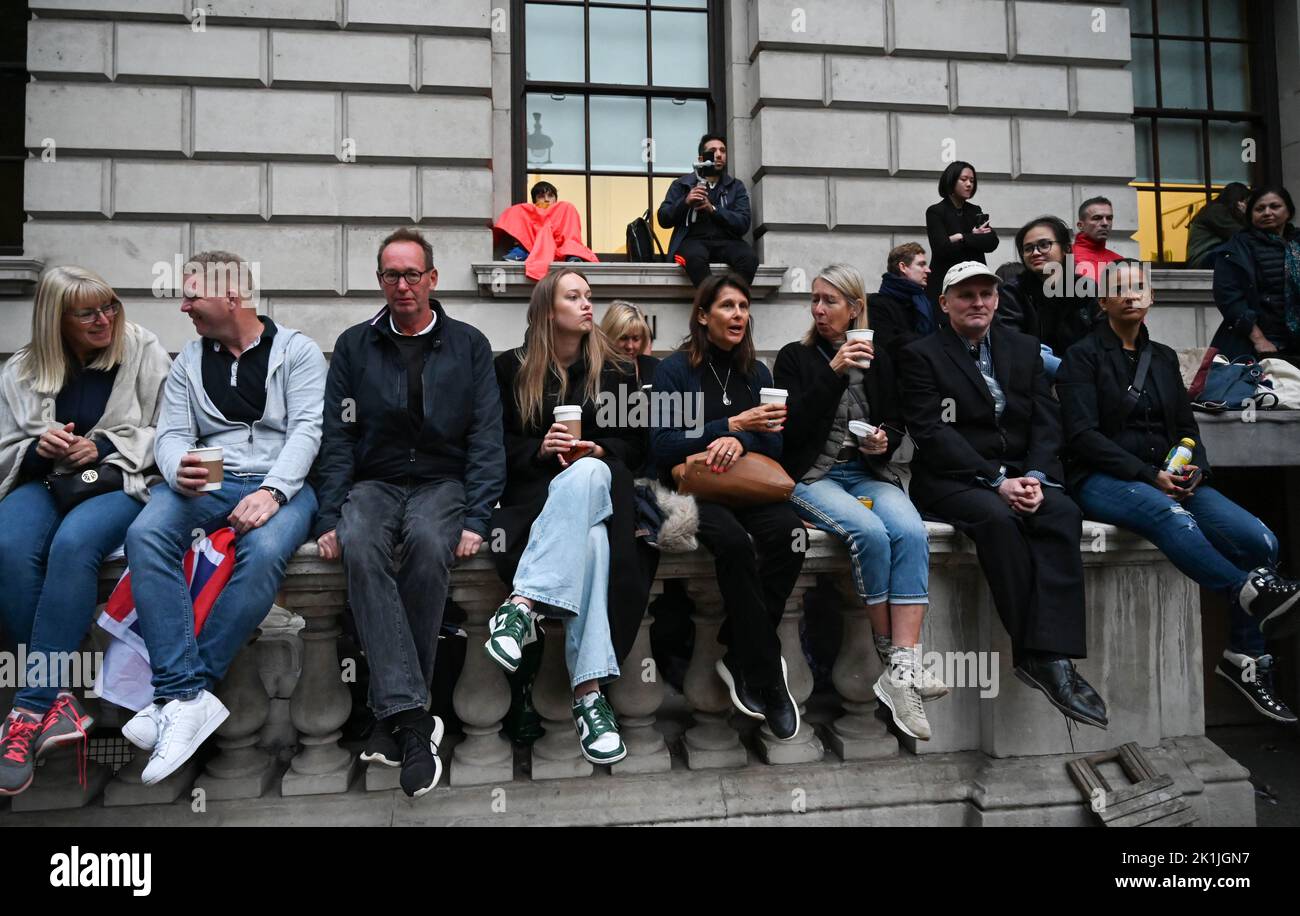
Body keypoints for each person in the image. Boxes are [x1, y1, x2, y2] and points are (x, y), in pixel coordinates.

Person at [1058, 260, 1300, 724]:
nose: (1131, 295)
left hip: (1172, 475)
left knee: (1260, 541)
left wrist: (1197, 472)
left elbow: (1187, 428)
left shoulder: (1164, 357)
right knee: (1173, 519)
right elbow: (1082, 436)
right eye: (1119, 289)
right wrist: (1151, 478)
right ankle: (1245, 590)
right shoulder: (1082, 356)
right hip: (1102, 479)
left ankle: (1242, 659)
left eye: (1139, 288)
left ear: (1152, 298)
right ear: (1103, 302)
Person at [311, 228, 505, 797]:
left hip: (442, 483)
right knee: (362, 544)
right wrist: (328, 517)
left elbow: (486, 437)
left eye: (412, 274)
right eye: (391, 275)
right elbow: (337, 438)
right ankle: (416, 721)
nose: (402, 285)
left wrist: (477, 517)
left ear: (432, 280)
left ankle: (394, 715)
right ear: (380, 282)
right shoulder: (354, 345)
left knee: (426, 546)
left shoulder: (468, 345)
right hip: (376, 481)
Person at [121, 250, 326, 785]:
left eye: (192, 295)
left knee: (262, 553)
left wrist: (275, 492)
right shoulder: (190, 359)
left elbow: (307, 430)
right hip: (208, 480)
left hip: (283, 483)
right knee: (146, 534)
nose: (184, 304)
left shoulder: (297, 352)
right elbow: (170, 433)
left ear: (231, 297)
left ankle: (182, 698)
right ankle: (181, 692)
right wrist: (175, 467)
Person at [899, 261, 1107, 728]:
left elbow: (1046, 420)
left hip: (1020, 473)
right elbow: (931, 431)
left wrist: (1033, 475)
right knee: (998, 520)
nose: (978, 303)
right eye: (966, 295)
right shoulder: (921, 354)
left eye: (985, 294)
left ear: (996, 300)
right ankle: (1041, 657)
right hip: (952, 480)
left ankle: (1050, 656)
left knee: (1061, 513)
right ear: (945, 303)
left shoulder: (1023, 347)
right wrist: (996, 480)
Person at [0, 267, 171, 797]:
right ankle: (58, 699)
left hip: (118, 481)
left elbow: (172, 428)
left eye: (110, 307)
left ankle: (28, 710)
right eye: (88, 313)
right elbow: (6, 444)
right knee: (7, 545)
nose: (105, 320)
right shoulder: (25, 368)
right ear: (57, 320)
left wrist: (102, 446)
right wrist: (36, 448)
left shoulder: (143, 349)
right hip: (43, 483)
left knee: (74, 545)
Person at [485, 268, 657, 765]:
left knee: (588, 475)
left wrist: (598, 447)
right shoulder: (510, 369)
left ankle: (521, 607)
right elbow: (494, 447)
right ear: (547, 309)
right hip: (536, 504)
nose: (587, 304)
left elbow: (638, 447)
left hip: (604, 492)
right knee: (593, 546)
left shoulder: (618, 370)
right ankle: (588, 697)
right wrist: (540, 448)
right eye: (574, 296)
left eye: (589, 296)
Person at [774, 265, 947, 742]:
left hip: (866, 475)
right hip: (814, 476)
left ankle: (903, 668)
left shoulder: (881, 358)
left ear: (855, 308)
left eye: (830, 301)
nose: (818, 309)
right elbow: (791, 433)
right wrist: (832, 372)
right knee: (868, 533)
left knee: (909, 530)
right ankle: (896, 661)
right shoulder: (796, 358)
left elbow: (897, 421)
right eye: (815, 300)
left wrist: (882, 441)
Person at [649, 273, 803, 739]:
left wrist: (741, 442)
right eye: (727, 306)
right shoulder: (674, 370)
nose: (739, 314)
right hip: (694, 489)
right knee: (733, 544)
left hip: (747, 485)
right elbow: (663, 447)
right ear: (702, 315)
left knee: (790, 538)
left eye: (743, 306)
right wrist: (730, 426)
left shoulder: (759, 373)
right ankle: (768, 678)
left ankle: (739, 649)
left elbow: (776, 451)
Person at [998, 216, 1099, 379]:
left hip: (1086, 381)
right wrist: (1065, 371)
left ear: (1066, 249)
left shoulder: (1086, 287)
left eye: (1044, 245)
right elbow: (1012, 343)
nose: (1036, 253)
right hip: (1034, 382)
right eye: (1028, 248)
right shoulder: (1012, 292)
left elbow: (1102, 340)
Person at [1209, 185, 1300, 360]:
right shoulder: (1235, 249)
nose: (1267, 212)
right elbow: (1229, 297)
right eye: (1260, 209)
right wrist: (1259, 340)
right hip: (1259, 346)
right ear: (1250, 215)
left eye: (1275, 206)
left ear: (1289, 211)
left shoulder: (1296, 243)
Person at [656, 134, 758, 288]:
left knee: (749, 258)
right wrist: (685, 202)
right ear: (702, 158)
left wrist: (714, 210)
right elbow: (663, 219)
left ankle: (731, 300)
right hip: (692, 242)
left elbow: (743, 223)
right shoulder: (681, 184)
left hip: (727, 242)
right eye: (713, 151)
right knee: (694, 258)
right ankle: (714, 302)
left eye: (723, 151)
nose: (719, 155)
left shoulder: (736, 186)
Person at [924, 161, 999, 304]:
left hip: (975, 278)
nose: (969, 184)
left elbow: (992, 242)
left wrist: (961, 237)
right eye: (963, 180)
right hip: (946, 281)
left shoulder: (975, 210)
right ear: (951, 180)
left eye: (972, 180)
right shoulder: (936, 211)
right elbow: (942, 248)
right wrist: (974, 238)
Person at [494, 180, 598, 282]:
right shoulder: (530, 210)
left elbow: (570, 233)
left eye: (550, 196)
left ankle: (572, 255)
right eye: (541, 196)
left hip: (561, 248)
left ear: (556, 199)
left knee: (568, 207)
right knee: (518, 209)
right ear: (535, 200)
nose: (546, 199)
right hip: (533, 246)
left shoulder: (564, 208)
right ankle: (521, 252)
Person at [868, 242, 938, 367]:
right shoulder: (877, 305)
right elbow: (889, 346)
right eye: (921, 265)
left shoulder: (923, 301)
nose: (928, 270)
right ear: (903, 267)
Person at [1187, 183, 1250, 269]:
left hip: (1207, 257)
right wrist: (1246, 215)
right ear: (1239, 201)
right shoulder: (1216, 211)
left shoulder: (1215, 209)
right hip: (1203, 258)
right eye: (1246, 202)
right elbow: (1242, 235)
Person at [599, 299, 659, 387]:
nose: (630, 346)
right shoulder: (595, 369)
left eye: (636, 339)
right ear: (609, 335)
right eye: (623, 338)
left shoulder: (654, 367)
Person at [1072, 196, 1123, 280]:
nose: (1105, 223)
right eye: (1097, 218)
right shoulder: (1064, 256)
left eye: (1109, 218)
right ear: (1081, 225)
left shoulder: (1119, 260)